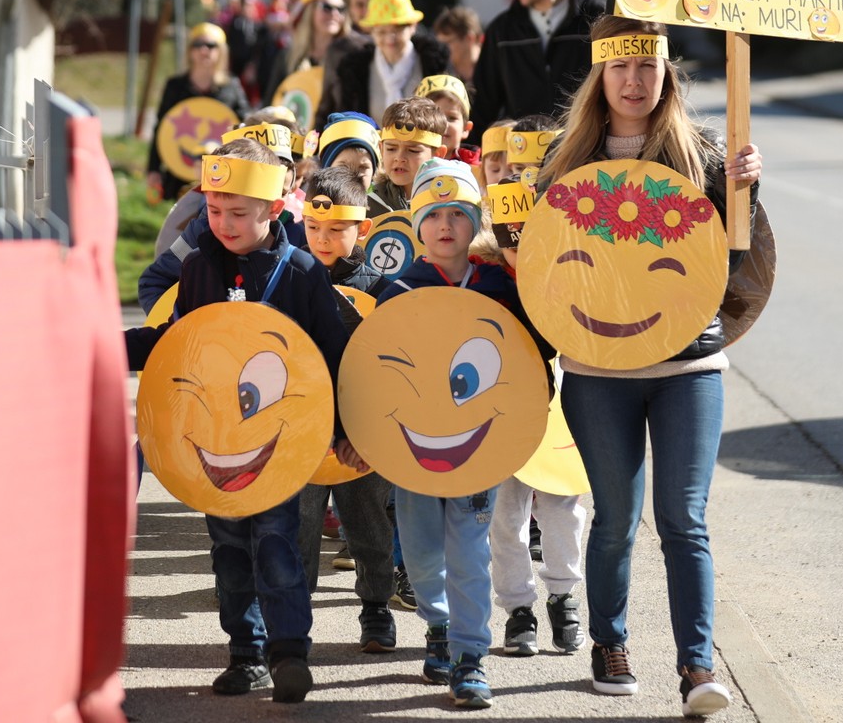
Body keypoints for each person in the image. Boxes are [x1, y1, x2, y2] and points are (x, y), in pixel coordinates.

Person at [539, 13, 760, 717]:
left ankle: (697, 667)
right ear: (601, 75)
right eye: (620, 67)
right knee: (613, 518)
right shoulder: (564, 163)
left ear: (666, 73)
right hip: (599, 369)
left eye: (647, 66)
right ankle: (610, 643)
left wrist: (749, 187)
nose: (633, 81)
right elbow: (546, 269)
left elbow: (736, 256)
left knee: (683, 521)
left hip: (689, 367)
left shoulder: (704, 155)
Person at [124, 138, 353, 704]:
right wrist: (112, 347)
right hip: (215, 443)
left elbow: (335, 352)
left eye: (237, 213)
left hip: (277, 443)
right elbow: (175, 344)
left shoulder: (300, 271)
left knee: (276, 543)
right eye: (214, 211)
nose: (223, 223)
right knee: (227, 547)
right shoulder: (199, 268)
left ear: (273, 210)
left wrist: (346, 431)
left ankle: (289, 652)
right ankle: (244, 652)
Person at [372, 159, 549, 709]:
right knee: (422, 554)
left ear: (475, 223)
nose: (446, 225)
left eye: (458, 214)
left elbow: (531, 355)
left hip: (480, 444)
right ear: (417, 224)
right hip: (414, 449)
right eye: (434, 214)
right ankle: (437, 626)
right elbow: (376, 370)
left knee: (470, 550)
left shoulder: (498, 285)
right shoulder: (395, 289)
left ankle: (470, 655)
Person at [471, 116, 586, 659]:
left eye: (538, 168)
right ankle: (518, 608)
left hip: (566, 392)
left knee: (563, 502)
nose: (526, 178)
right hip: (505, 396)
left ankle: (564, 598)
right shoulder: (483, 262)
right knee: (506, 511)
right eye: (517, 169)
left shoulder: (584, 246)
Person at [293, 166, 398, 654]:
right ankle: (292, 615)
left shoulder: (382, 290)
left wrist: (371, 430)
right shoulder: (289, 278)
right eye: (314, 228)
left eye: (336, 229)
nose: (323, 239)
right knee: (297, 526)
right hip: (302, 428)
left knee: (370, 523)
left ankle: (376, 608)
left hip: (362, 428)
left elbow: (395, 365)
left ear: (364, 229)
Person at [136, 120, 305, 314]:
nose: (225, 224)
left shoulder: (304, 241)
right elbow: (155, 281)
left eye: (286, 188)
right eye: (215, 210)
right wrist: (182, 332)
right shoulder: (200, 238)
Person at [471, 0, 606, 136]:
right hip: (520, 160)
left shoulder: (599, 17)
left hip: (586, 155)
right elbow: (483, 107)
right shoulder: (501, 31)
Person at [147, 22, 250, 200]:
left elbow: (245, 124)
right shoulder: (175, 86)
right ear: (190, 50)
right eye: (198, 44)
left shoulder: (231, 86)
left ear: (221, 51)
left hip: (221, 170)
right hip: (179, 169)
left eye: (211, 45)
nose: (204, 50)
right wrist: (153, 169)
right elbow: (162, 128)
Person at [330, 0, 451, 123]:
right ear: (371, 32)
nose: (390, 39)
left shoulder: (434, 64)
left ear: (413, 27)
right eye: (382, 32)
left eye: (397, 30)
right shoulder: (354, 68)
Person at [314, 0, 392, 129]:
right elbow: (327, 103)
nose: (366, 11)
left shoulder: (407, 44)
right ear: (349, 6)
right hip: (353, 136)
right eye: (359, 4)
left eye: (372, 3)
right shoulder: (340, 49)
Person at [264, 0, 349, 107]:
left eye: (340, 8)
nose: (335, 14)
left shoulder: (349, 57)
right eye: (327, 7)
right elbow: (271, 104)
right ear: (310, 11)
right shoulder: (287, 58)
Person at [369, 97, 448, 216]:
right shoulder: (368, 205)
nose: (399, 157)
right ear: (381, 149)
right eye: (391, 149)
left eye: (412, 150)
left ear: (438, 154)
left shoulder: (449, 203)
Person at [416, 75, 478, 169]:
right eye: (433, 117)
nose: (443, 124)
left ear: (466, 128)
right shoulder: (407, 165)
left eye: (452, 118)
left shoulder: (480, 170)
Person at [316, 112, 381, 196]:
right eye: (343, 167)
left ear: (373, 173)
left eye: (363, 167)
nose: (354, 176)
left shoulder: (385, 208)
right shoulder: (309, 205)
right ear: (326, 168)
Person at [433, 6, 484, 82]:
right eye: (439, 44)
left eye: (447, 42)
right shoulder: (441, 76)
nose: (441, 49)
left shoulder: (496, 69)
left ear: (469, 38)